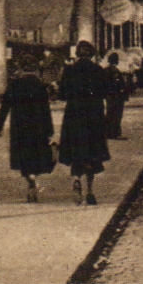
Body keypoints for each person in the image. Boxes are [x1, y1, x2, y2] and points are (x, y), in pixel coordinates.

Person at [57, 40, 112, 205]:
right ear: (92, 54)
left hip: (74, 115)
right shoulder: (98, 70)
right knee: (92, 153)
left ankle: (75, 178)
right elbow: (105, 93)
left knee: (75, 150)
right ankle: (90, 190)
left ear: (77, 54)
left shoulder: (70, 70)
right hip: (93, 116)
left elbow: (62, 95)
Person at [0, 55, 56, 202]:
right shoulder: (40, 85)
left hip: (19, 126)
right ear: (35, 68)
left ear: (21, 68)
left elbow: (5, 107)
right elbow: (46, 110)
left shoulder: (14, 85)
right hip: (38, 126)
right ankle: (33, 177)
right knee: (35, 155)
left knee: (23, 156)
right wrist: (50, 130)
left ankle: (30, 180)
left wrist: (0, 125)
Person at [103, 51, 129, 140]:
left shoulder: (106, 70)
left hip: (109, 95)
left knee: (110, 113)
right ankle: (115, 133)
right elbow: (117, 83)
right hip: (116, 95)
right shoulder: (114, 71)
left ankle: (108, 132)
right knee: (116, 114)